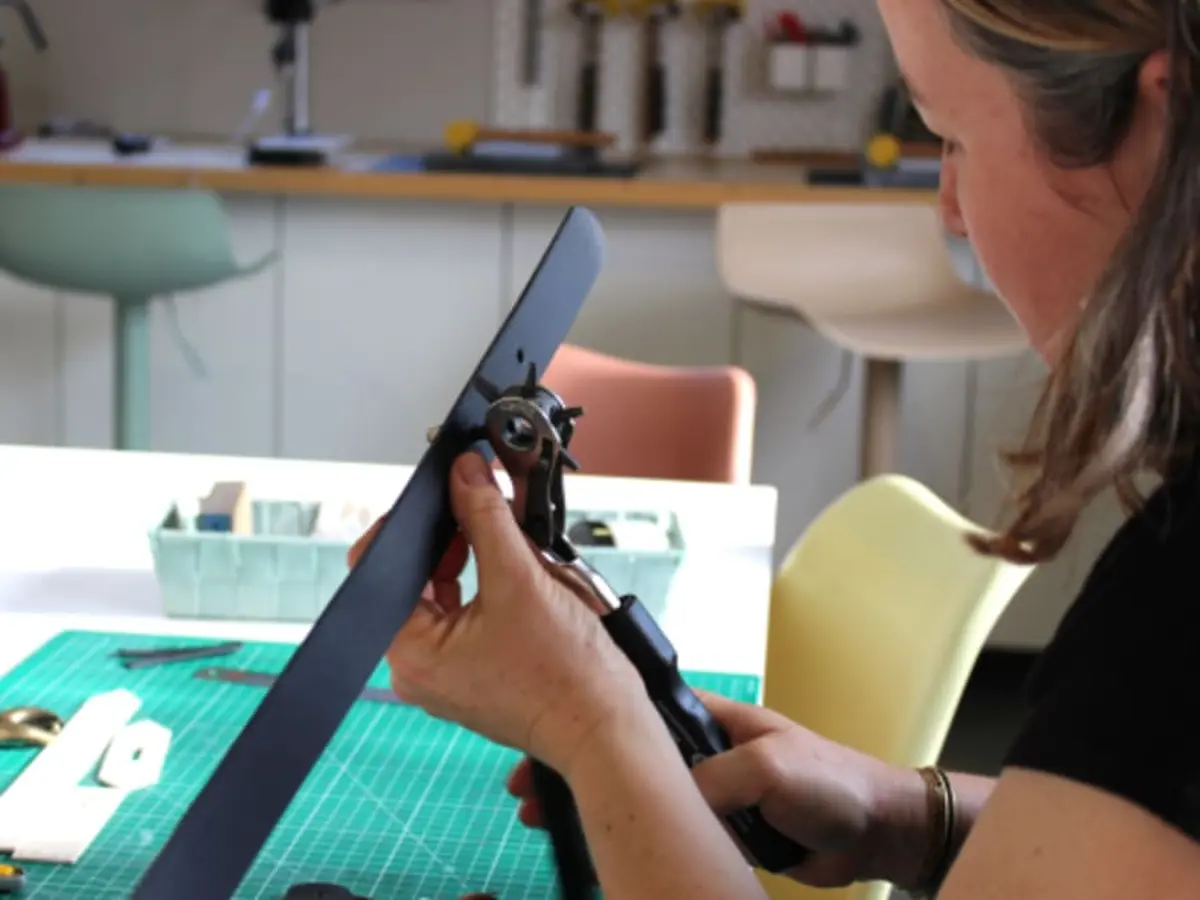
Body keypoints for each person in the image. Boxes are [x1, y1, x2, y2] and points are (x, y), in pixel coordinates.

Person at [349, 0, 1200, 896]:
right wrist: (911, 821)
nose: (950, 210)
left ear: (1161, 124)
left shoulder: (1176, 605)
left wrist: (589, 721)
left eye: (954, 136)